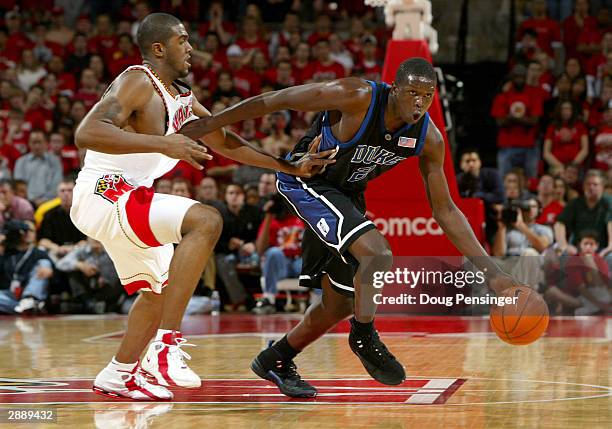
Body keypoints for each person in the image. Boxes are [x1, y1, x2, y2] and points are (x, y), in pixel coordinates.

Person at [181, 57, 519, 398]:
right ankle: (364, 334)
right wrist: (212, 123)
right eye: (412, 92)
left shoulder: (428, 137)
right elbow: (279, 99)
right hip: (307, 180)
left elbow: (446, 210)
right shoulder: (356, 95)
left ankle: (277, 359)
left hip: (346, 195)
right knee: (378, 253)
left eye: (427, 95)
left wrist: (492, 272)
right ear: (395, 89)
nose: (419, 102)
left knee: (340, 302)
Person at [72, 13, 332, 402]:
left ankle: (119, 373)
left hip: (127, 196)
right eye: (183, 40)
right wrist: (165, 144)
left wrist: (289, 166)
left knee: (160, 293)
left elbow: (226, 142)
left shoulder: (181, 96)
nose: (191, 48)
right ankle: (165, 348)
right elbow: (86, 133)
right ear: (159, 48)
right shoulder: (137, 81)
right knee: (206, 219)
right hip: (105, 193)